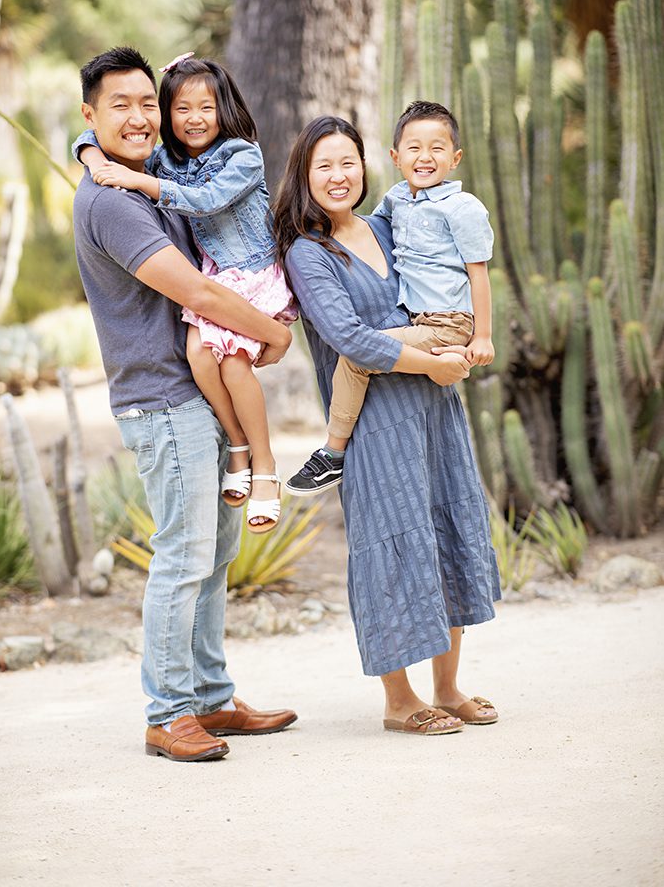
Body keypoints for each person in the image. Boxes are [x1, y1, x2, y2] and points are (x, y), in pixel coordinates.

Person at [73, 46, 297, 761]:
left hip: (193, 390)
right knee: (184, 554)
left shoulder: (143, 176)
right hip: (162, 398)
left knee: (214, 553)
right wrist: (273, 334)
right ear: (90, 115)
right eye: (120, 106)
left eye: (148, 104)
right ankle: (168, 712)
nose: (139, 118)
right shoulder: (113, 200)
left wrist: (90, 151)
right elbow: (196, 292)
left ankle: (208, 696)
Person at [272, 116, 500, 734]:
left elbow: (443, 284)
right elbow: (349, 339)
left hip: (434, 410)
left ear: (366, 166)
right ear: (305, 176)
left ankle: (447, 689)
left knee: (445, 530)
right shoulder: (308, 253)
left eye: (348, 162)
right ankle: (400, 703)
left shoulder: (386, 225)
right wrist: (436, 361)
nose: (339, 176)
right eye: (325, 166)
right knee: (392, 547)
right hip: (374, 425)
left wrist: (466, 342)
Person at [74, 53, 295, 533]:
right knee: (201, 354)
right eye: (182, 109)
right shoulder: (155, 168)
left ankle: (265, 465)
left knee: (232, 362)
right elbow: (91, 138)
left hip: (253, 275)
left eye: (206, 108)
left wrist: (138, 179)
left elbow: (208, 199)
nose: (195, 119)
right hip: (214, 290)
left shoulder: (239, 155)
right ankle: (240, 445)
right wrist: (91, 155)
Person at [287, 100, 494, 496]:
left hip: (446, 322)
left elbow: (477, 273)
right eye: (414, 148)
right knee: (359, 353)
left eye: (438, 148)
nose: (426, 157)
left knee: (356, 361)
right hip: (424, 327)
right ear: (395, 157)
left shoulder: (463, 208)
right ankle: (336, 450)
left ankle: (332, 453)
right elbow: (349, 330)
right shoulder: (396, 203)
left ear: (456, 157)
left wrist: (481, 336)